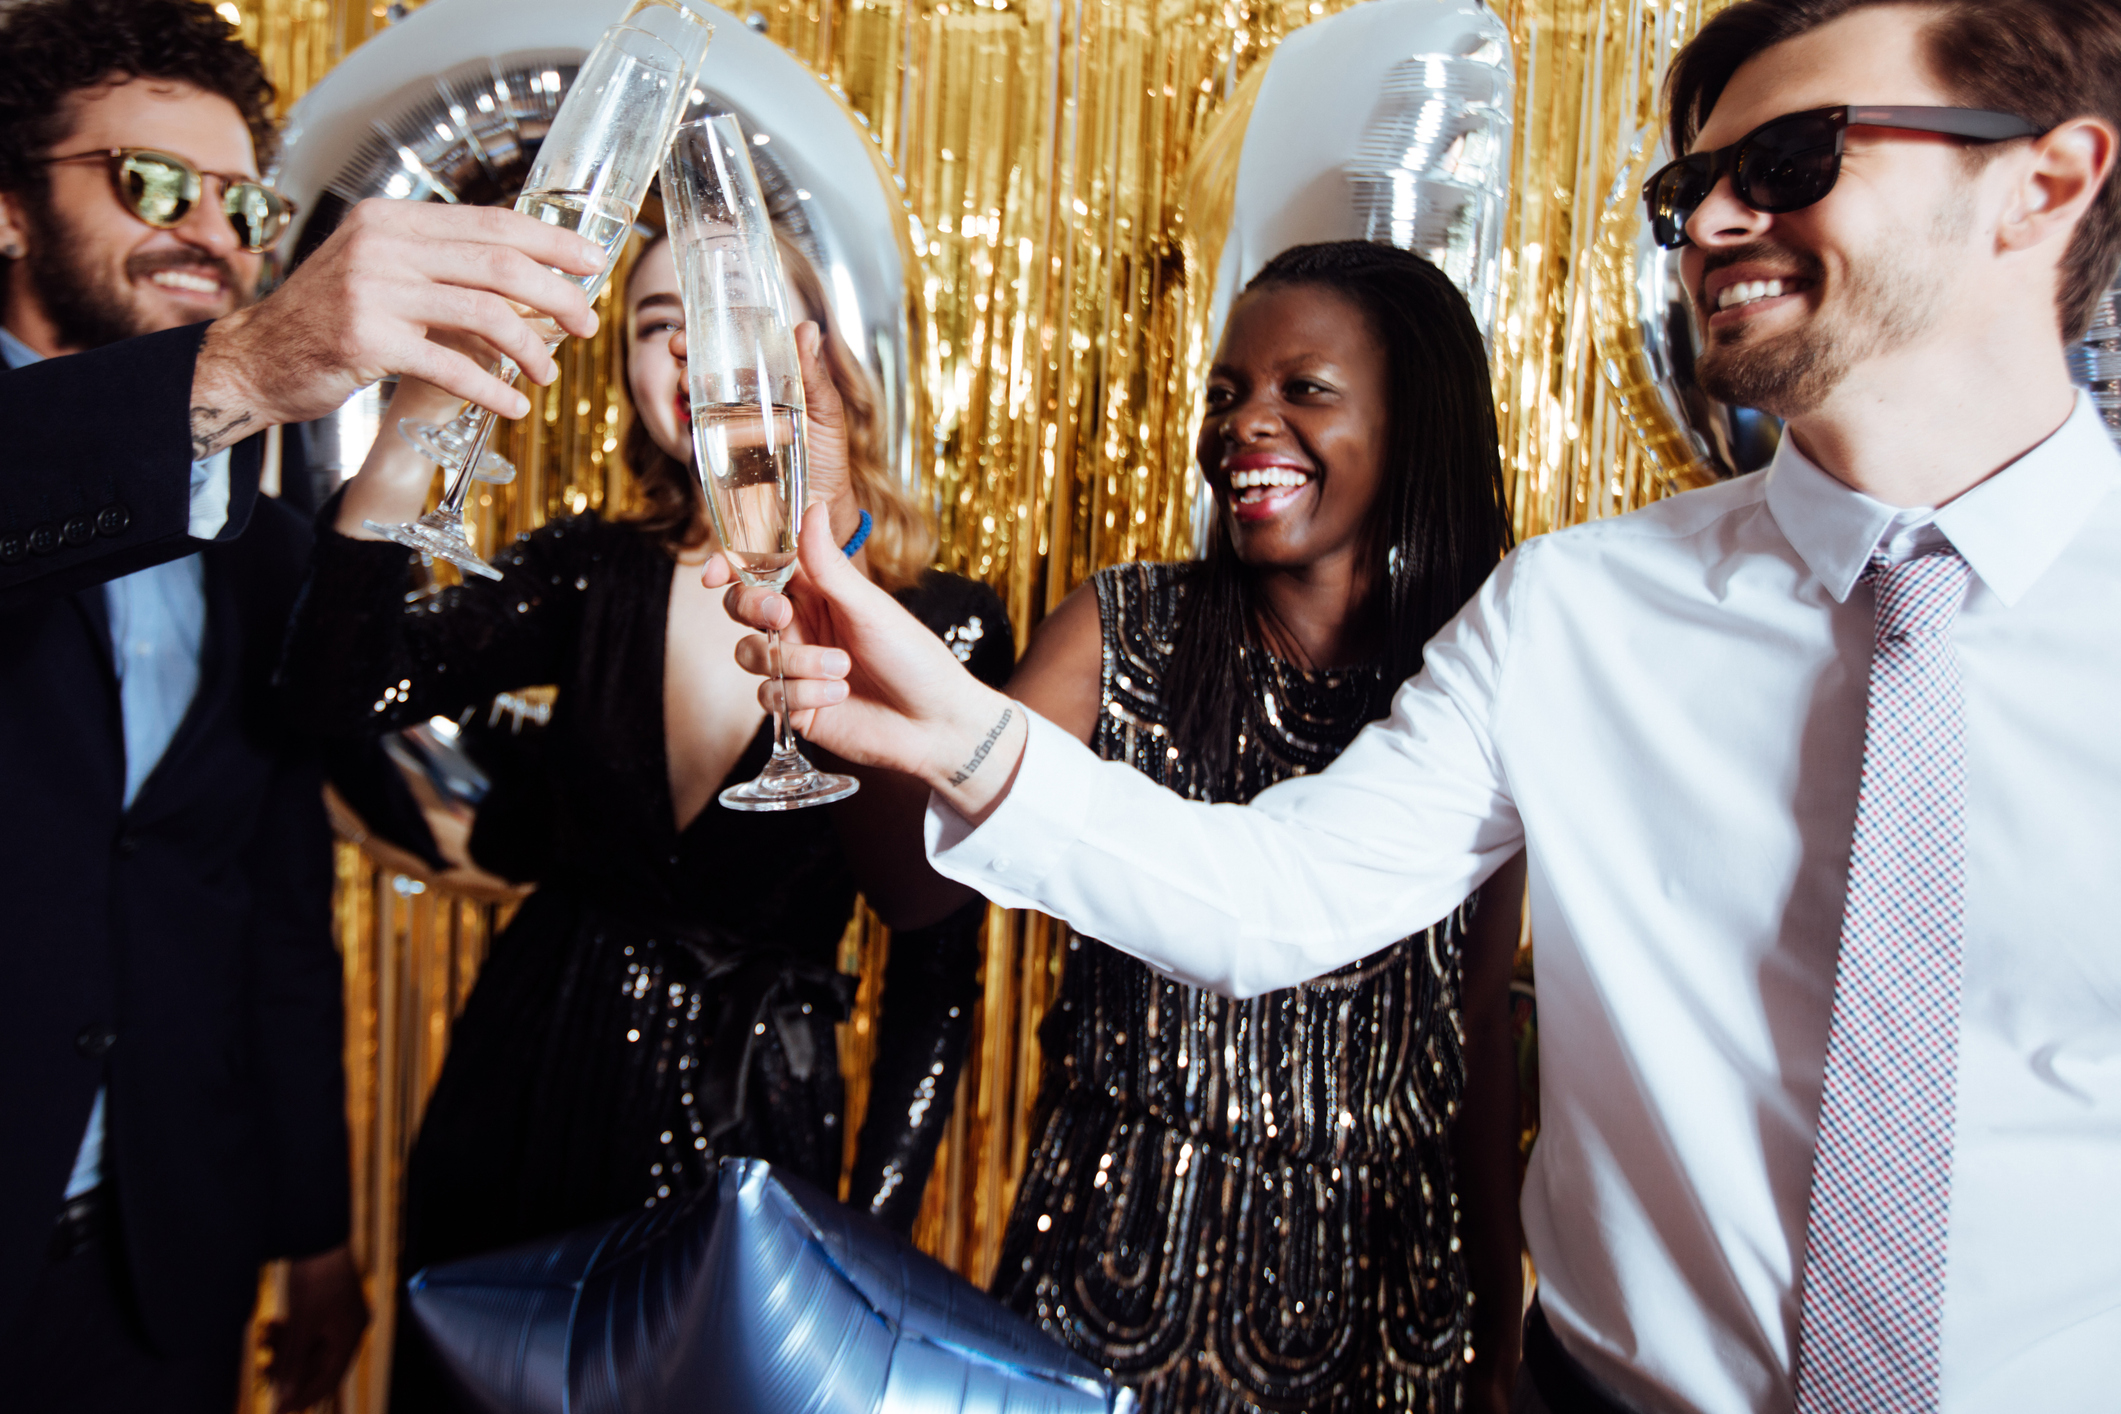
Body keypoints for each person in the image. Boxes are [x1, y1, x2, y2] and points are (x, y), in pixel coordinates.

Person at [716, 1, 2121, 1410]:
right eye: (1688, 189)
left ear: (2044, 182)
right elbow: (1278, 897)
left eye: (1792, 158)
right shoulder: (1575, 611)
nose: (1706, 226)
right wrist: (954, 727)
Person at [280, 227, 1012, 1409]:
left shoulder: (946, 624)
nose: (694, 348)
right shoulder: (589, 568)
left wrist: (866, 1263)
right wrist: (420, 415)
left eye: (732, 313)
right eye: (657, 322)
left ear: (820, 351)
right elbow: (337, 691)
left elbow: (938, 975)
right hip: (528, 1087)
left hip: (756, 1131)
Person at [983, 241, 1524, 1413]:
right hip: (1117, 1265)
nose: (1245, 424)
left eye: (1304, 390)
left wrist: (1499, 1322)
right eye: (1226, 392)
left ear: (1410, 426)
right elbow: (921, 883)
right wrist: (869, 683)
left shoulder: (1477, 690)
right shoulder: (1120, 633)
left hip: (1384, 1298)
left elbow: (1470, 1036)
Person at [0, 9, 607, 608]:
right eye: (157, 183)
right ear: (11, 211)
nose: (217, 236)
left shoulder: (264, 533)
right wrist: (248, 367)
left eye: (244, 204)